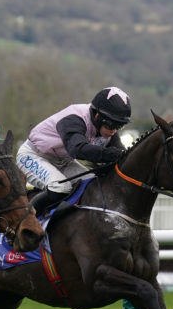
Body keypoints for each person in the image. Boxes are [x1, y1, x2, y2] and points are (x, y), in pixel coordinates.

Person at [16, 86, 131, 216]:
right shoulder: (75, 118)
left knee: (94, 187)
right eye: (111, 124)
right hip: (33, 155)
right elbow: (78, 149)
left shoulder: (106, 129)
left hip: (63, 161)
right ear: (98, 115)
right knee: (60, 188)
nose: (113, 130)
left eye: (119, 126)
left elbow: (122, 154)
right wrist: (109, 155)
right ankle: (23, 222)